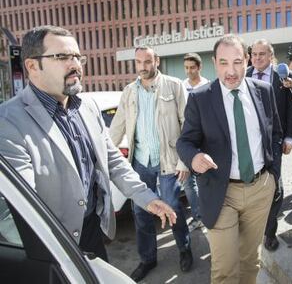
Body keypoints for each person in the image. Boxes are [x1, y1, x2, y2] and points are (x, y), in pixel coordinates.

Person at [0, 25, 177, 263]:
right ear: (33, 66)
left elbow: (112, 160)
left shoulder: (87, 106)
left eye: (76, 56)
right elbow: (19, 207)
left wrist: (147, 197)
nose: (75, 65)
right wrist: (46, 253)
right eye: (62, 57)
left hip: (93, 231)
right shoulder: (9, 121)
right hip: (51, 246)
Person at [177, 34, 283, 284]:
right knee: (225, 270)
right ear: (214, 62)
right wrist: (194, 158)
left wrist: (273, 176)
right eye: (224, 63)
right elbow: (184, 142)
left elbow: (275, 133)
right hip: (220, 193)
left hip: (260, 190)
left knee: (250, 261)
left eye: (237, 62)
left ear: (246, 60)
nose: (231, 71)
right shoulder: (201, 98)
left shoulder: (265, 92)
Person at [109, 46, 192, 281]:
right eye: (139, 62)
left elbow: (188, 124)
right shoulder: (129, 91)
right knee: (141, 211)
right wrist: (104, 156)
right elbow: (117, 126)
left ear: (156, 61)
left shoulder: (174, 85)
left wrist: (185, 162)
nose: (143, 66)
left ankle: (184, 249)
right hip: (140, 162)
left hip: (168, 161)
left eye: (147, 61)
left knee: (173, 207)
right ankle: (147, 259)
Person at [246, 38, 292, 251]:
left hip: (274, 140)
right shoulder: (243, 75)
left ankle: (269, 232)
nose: (257, 58)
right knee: (250, 184)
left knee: (274, 187)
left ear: (271, 56)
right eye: (254, 54)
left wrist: (290, 138)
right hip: (248, 141)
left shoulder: (283, 77)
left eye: (262, 54)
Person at [181, 52, 209, 231]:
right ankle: (198, 217)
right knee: (188, 184)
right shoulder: (180, 86)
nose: (189, 71)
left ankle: (210, 216)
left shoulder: (208, 86)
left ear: (199, 67)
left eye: (192, 67)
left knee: (206, 183)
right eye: (186, 68)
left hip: (206, 141)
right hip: (187, 140)